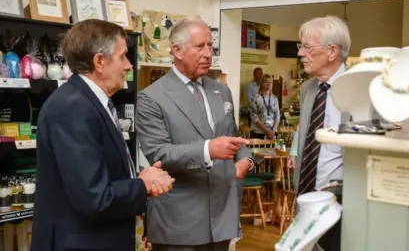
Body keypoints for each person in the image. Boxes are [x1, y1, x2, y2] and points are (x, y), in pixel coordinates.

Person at [31, 19, 175, 251]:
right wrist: (142, 185)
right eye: (123, 57)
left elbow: (98, 173)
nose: (129, 65)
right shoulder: (74, 108)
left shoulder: (90, 102)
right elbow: (94, 197)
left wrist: (141, 179)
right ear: (99, 61)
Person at [135, 16, 255, 251]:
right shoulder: (152, 97)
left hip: (221, 215)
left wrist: (245, 159)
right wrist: (208, 150)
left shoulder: (221, 91)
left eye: (211, 46)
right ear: (177, 51)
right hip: (179, 221)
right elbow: (159, 154)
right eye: (200, 46)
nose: (208, 53)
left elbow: (233, 135)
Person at [288, 15, 351, 251]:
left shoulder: (360, 90)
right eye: (300, 46)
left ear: (332, 51)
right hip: (305, 199)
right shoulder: (307, 89)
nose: (300, 54)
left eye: (307, 47)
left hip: (342, 205)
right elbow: (305, 132)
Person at [249, 74, 281, 139]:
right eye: (267, 82)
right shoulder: (255, 98)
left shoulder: (274, 98)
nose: (269, 84)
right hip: (258, 133)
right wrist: (267, 131)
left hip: (272, 133)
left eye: (271, 82)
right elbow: (254, 118)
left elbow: (277, 115)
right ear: (262, 84)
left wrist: (274, 129)